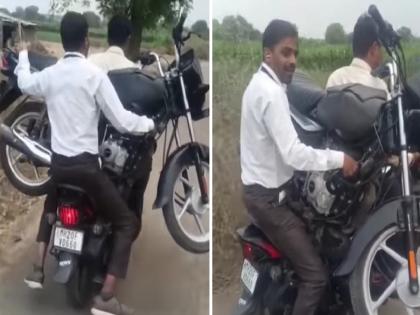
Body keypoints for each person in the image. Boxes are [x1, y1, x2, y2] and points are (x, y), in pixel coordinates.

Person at [15, 12, 155, 315]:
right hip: (88, 170)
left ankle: (37, 268)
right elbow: (122, 120)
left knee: (51, 206)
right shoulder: (94, 76)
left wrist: (24, 54)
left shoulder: (51, 74)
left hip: (60, 167)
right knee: (126, 222)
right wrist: (147, 124)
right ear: (86, 41)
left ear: (64, 40)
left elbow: (24, 82)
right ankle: (106, 297)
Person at [240, 20, 359, 315]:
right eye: (285, 52)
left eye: (295, 54)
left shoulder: (258, 85)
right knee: (316, 277)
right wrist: (338, 159)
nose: (292, 61)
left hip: (258, 193)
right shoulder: (271, 93)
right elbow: (293, 153)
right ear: (268, 54)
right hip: (270, 202)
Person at [89, 15, 154, 223]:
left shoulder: (90, 62)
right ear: (128, 38)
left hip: (87, 138)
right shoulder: (132, 70)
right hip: (117, 143)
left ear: (107, 36)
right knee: (144, 164)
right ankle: (132, 217)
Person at [326, 14, 388, 93]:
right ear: (374, 48)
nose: (383, 53)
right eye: (382, 48)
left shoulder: (335, 78)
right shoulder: (379, 87)